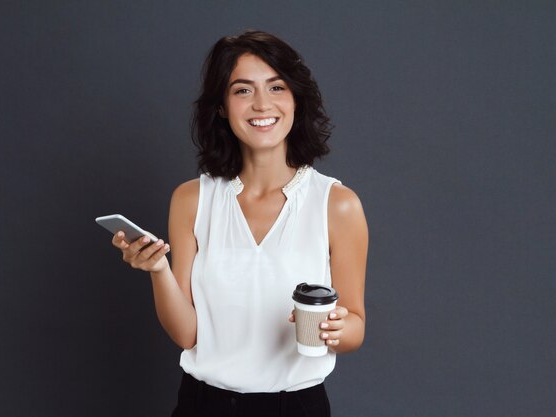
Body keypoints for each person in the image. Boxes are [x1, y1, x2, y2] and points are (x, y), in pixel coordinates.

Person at [111, 30, 368, 417]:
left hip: (296, 407)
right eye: (243, 90)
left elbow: (356, 327)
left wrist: (334, 328)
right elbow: (187, 334)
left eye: (277, 87)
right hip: (203, 405)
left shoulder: (338, 204)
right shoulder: (191, 199)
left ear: (296, 99)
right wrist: (158, 268)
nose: (262, 104)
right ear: (221, 107)